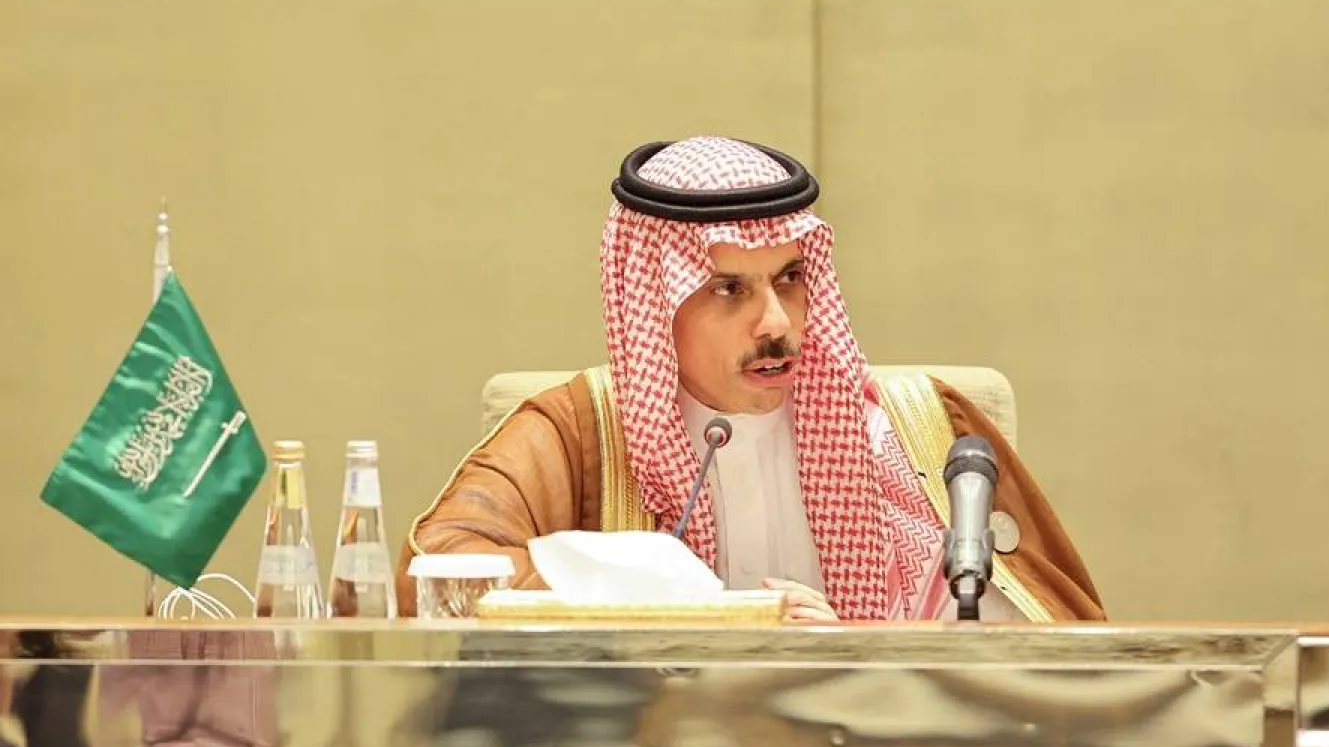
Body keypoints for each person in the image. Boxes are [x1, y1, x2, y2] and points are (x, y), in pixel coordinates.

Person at [396, 136, 1104, 623]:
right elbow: (435, 576)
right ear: (656, 302)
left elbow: (1045, 650)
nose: (777, 322)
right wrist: (691, 610)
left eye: (790, 279)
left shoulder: (919, 433)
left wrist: (849, 659)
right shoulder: (579, 432)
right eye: (729, 290)